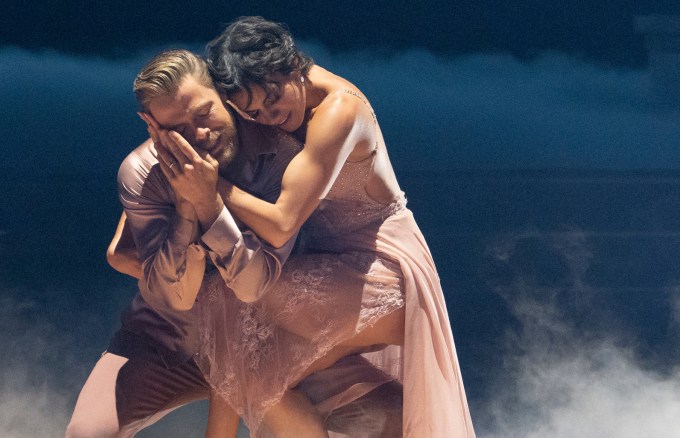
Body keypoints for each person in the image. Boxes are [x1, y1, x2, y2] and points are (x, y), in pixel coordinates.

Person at [154, 17, 476, 436]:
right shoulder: (265, 107)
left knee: (225, 301)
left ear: (290, 65)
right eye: (252, 111)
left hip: (384, 270)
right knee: (252, 371)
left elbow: (282, 224)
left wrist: (209, 185)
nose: (269, 116)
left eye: (273, 99)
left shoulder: (339, 110)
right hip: (331, 267)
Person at [65, 49, 403, 438]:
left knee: (395, 418)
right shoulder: (140, 173)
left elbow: (254, 284)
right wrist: (187, 212)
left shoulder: (281, 156)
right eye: (179, 128)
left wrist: (211, 201)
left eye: (204, 113)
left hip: (266, 340)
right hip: (170, 341)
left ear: (224, 96)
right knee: (85, 434)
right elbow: (173, 296)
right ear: (152, 126)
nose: (200, 135)